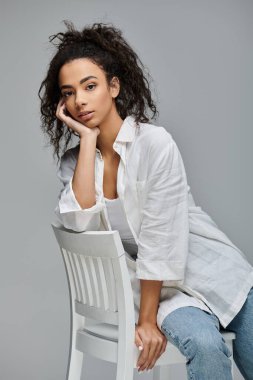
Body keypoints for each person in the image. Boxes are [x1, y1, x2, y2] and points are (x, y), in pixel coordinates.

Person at [38, 20, 253, 379]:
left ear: (114, 86)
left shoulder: (155, 144)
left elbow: (161, 237)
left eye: (90, 86)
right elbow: (78, 225)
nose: (80, 100)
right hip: (161, 292)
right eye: (69, 92)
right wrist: (88, 142)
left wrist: (148, 319)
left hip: (211, 271)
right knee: (204, 344)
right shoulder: (75, 164)